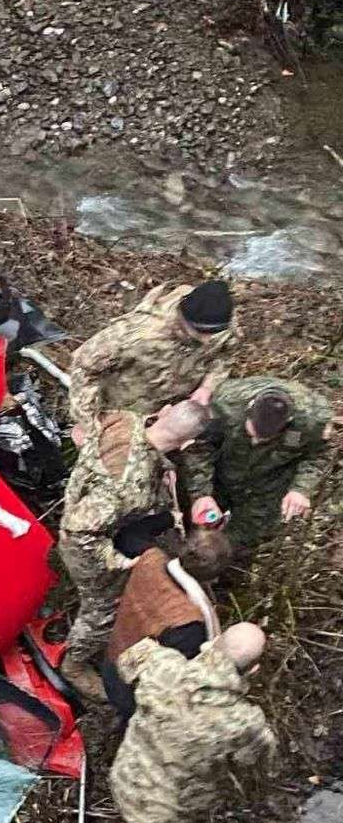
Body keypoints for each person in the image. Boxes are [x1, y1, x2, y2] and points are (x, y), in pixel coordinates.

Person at [97, 622, 276, 823]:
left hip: (126, 778)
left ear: (215, 641)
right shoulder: (245, 723)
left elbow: (123, 665)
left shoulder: (162, 663)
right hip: (167, 816)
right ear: (255, 669)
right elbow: (256, 771)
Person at [58, 399, 212, 701]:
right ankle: (73, 664)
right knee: (102, 606)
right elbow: (79, 529)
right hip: (84, 542)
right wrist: (118, 561)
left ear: (165, 412)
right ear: (187, 442)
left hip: (84, 499)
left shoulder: (125, 418)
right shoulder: (128, 488)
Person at [181, 377, 333, 552]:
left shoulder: (312, 421)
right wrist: (201, 493)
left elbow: (318, 456)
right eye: (251, 433)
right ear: (248, 409)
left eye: (264, 439)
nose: (255, 441)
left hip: (267, 487)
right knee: (194, 524)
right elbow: (200, 448)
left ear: (289, 421)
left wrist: (301, 489)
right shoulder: (226, 404)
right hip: (220, 473)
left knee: (237, 544)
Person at [101, 528, 234, 721]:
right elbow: (184, 681)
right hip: (133, 694)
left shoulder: (151, 558)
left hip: (111, 663)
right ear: (214, 578)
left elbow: (129, 536)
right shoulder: (188, 623)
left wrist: (170, 518)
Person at [68, 279, 236, 432]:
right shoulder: (136, 334)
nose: (208, 340)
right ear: (183, 320)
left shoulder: (219, 322)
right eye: (201, 333)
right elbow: (83, 370)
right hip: (118, 414)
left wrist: (207, 386)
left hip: (169, 414)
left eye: (214, 333)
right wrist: (89, 426)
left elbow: (225, 355)